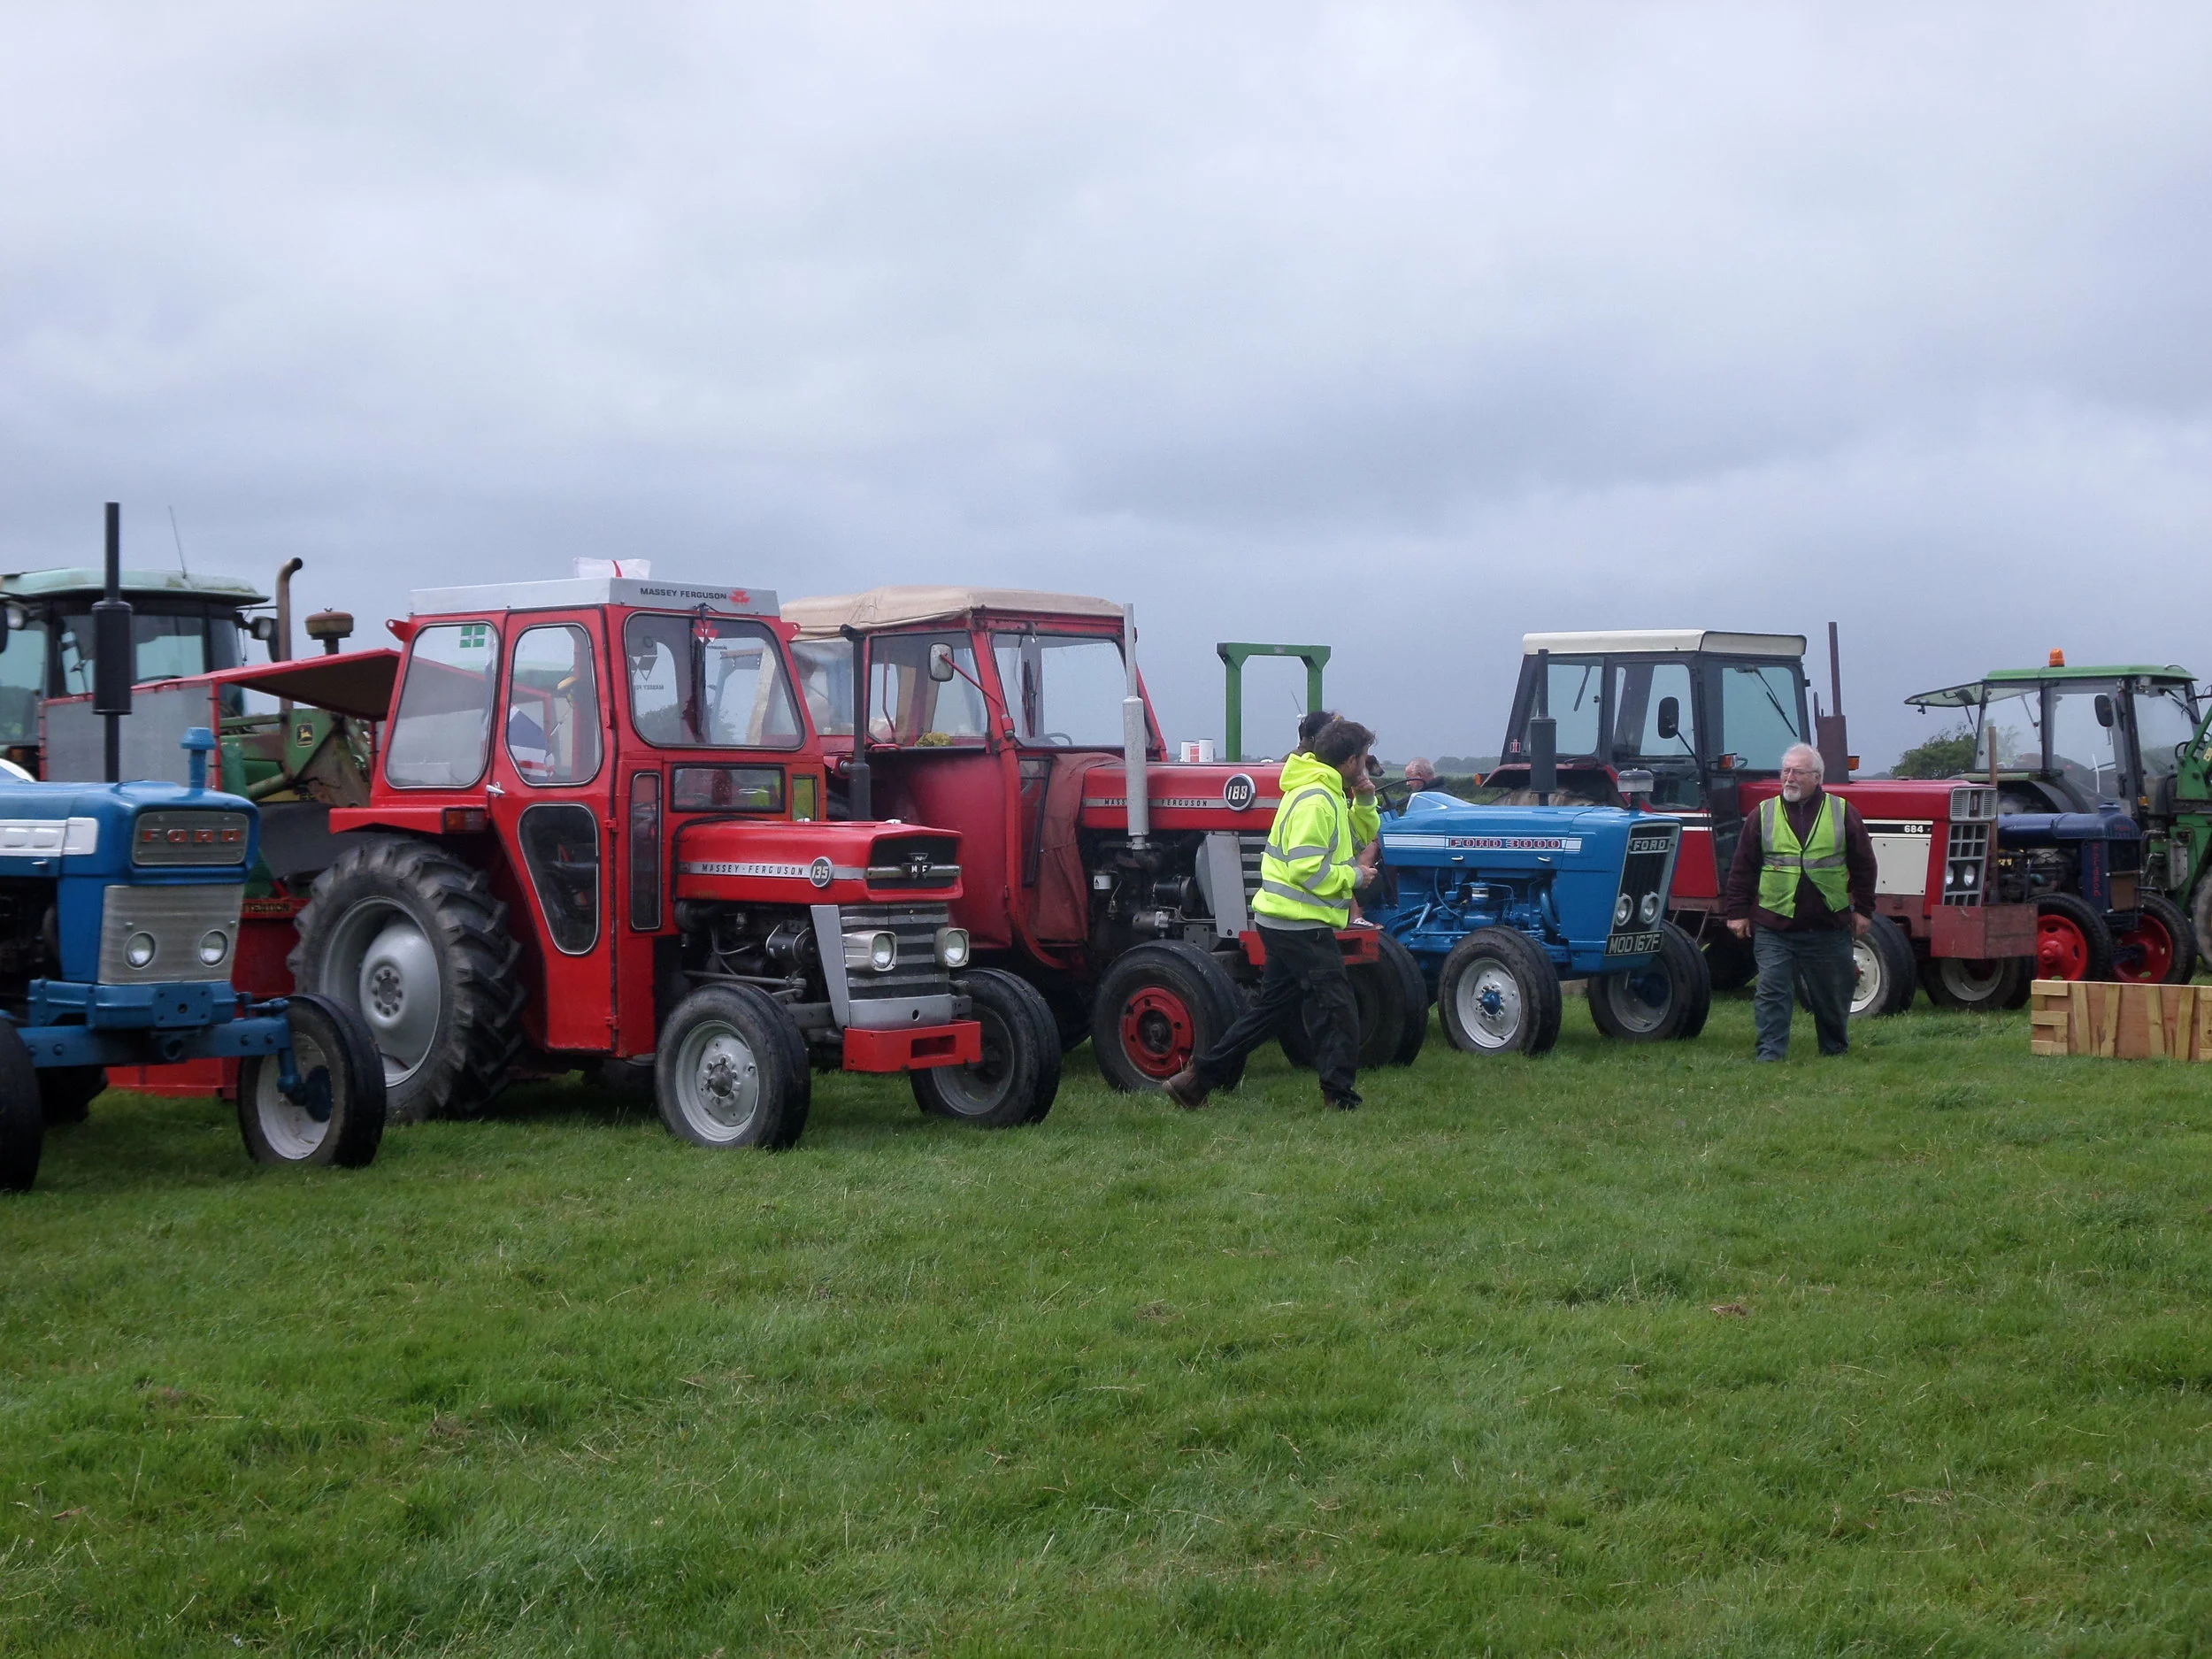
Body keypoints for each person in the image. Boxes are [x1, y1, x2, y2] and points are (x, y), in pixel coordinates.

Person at [1167, 718, 1379, 1111]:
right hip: (1302, 924)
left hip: (1282, 920)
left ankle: (1196, 1079)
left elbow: (1354, 837)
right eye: (1364, 759)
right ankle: (1340, 1096)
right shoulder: (1317, 800)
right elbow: (1307, 869)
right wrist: (1355, 876)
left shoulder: (1325, 792)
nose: (1367, 766)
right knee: (1339, 1009)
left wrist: (1365, 800)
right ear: (1350, 760)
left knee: (1271, 1010)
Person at [1722, 742, 1878, 1061]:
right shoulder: (1762, 814)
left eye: (1798, 772)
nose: (1789, 778)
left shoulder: (1843, 812)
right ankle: (1770, 1054)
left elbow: (1864, 864)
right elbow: (1742, 867)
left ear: (1817, 777)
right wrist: (1737, 913)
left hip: (1827, 924)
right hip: (1773, 924)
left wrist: (1864, 909)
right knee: (1772, 991)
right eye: (1785, 771)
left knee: (1832, 994)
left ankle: (1834, 1050)